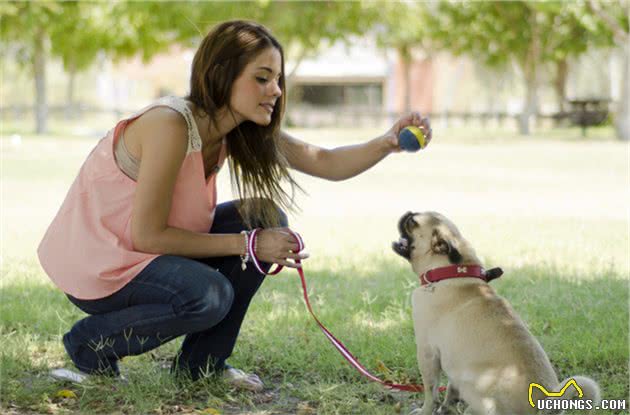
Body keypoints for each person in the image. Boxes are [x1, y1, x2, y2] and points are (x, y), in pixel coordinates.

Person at [38, 20, 432, 391]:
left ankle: (201, 366)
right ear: (222, 75)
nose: (276, 90)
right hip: (105, 264)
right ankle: (90, 344)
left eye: (277, 79)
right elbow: (148, 234)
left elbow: (324, 161)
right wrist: (249, 245)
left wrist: (387, 142)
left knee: (263, 215)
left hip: (148, 253)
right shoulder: (169, 124)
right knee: (208, 294)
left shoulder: (237, 129)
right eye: (262, 78)